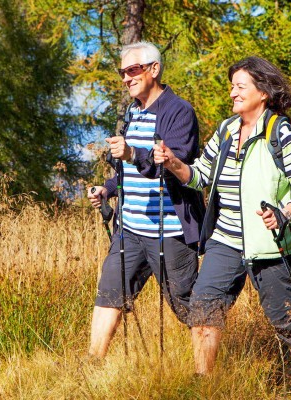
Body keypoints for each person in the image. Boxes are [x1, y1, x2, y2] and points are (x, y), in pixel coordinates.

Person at [154, 56, 291, 396]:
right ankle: (204, 384)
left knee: (285, 315)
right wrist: (172, 162)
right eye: (232, 86)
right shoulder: (227, 129)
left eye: (240, 86)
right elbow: (198, 175)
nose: (233, 93)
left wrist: (284, 213)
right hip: (224, 240)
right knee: (203, 306)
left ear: (264, 92)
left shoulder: (281, 133)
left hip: (270, 243)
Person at [87, 41, 204, 359]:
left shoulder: (179, 111)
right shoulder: (132, 112)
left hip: (170, 233)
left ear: (154, 69)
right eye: (122, 72)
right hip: (129, 230)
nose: (126, 77)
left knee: (188, 306)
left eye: (133, 70)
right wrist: (108, 189)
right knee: (109, 293)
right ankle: (90, 366)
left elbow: (174, 165)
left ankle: (205, 378)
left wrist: (131, 152)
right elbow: (128, 171)